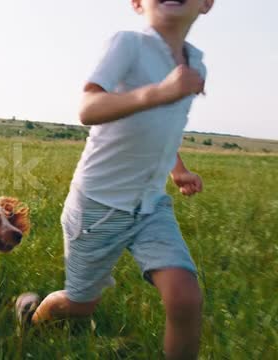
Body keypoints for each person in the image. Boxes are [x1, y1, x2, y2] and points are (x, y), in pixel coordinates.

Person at [16, 1, 215, 358]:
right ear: (137, 3)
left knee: (186, 297)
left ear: (207, 4)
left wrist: (178, 169)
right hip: (97, 206)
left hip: (151, 207)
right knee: (81, 305)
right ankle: (33, 317)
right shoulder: (127, 44)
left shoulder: (195, 64)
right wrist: (160, 92)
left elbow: (162, 130)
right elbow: (88, 108)